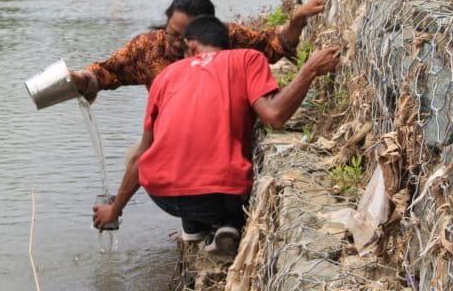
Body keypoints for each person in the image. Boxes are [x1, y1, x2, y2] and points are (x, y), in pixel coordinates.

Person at [92, 15, 340, 254]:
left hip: (162, 196)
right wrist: (309, 71)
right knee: (232, 167)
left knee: (168, 157)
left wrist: (114, 210)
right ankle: (226, 224)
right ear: (227, 44)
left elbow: (141, 156)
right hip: (215, 197)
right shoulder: (247, 58)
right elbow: (274, 116)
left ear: (190, 44)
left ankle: (194, 228)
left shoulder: (165, 75)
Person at [71, 0, 326, 102]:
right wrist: (80, 79)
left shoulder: (226, 39)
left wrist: (297, 19)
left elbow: (275, 45)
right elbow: (107, 72)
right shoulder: (148, 48)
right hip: (171, 134)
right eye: (171, 33)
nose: (176, 43)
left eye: (186, 38)